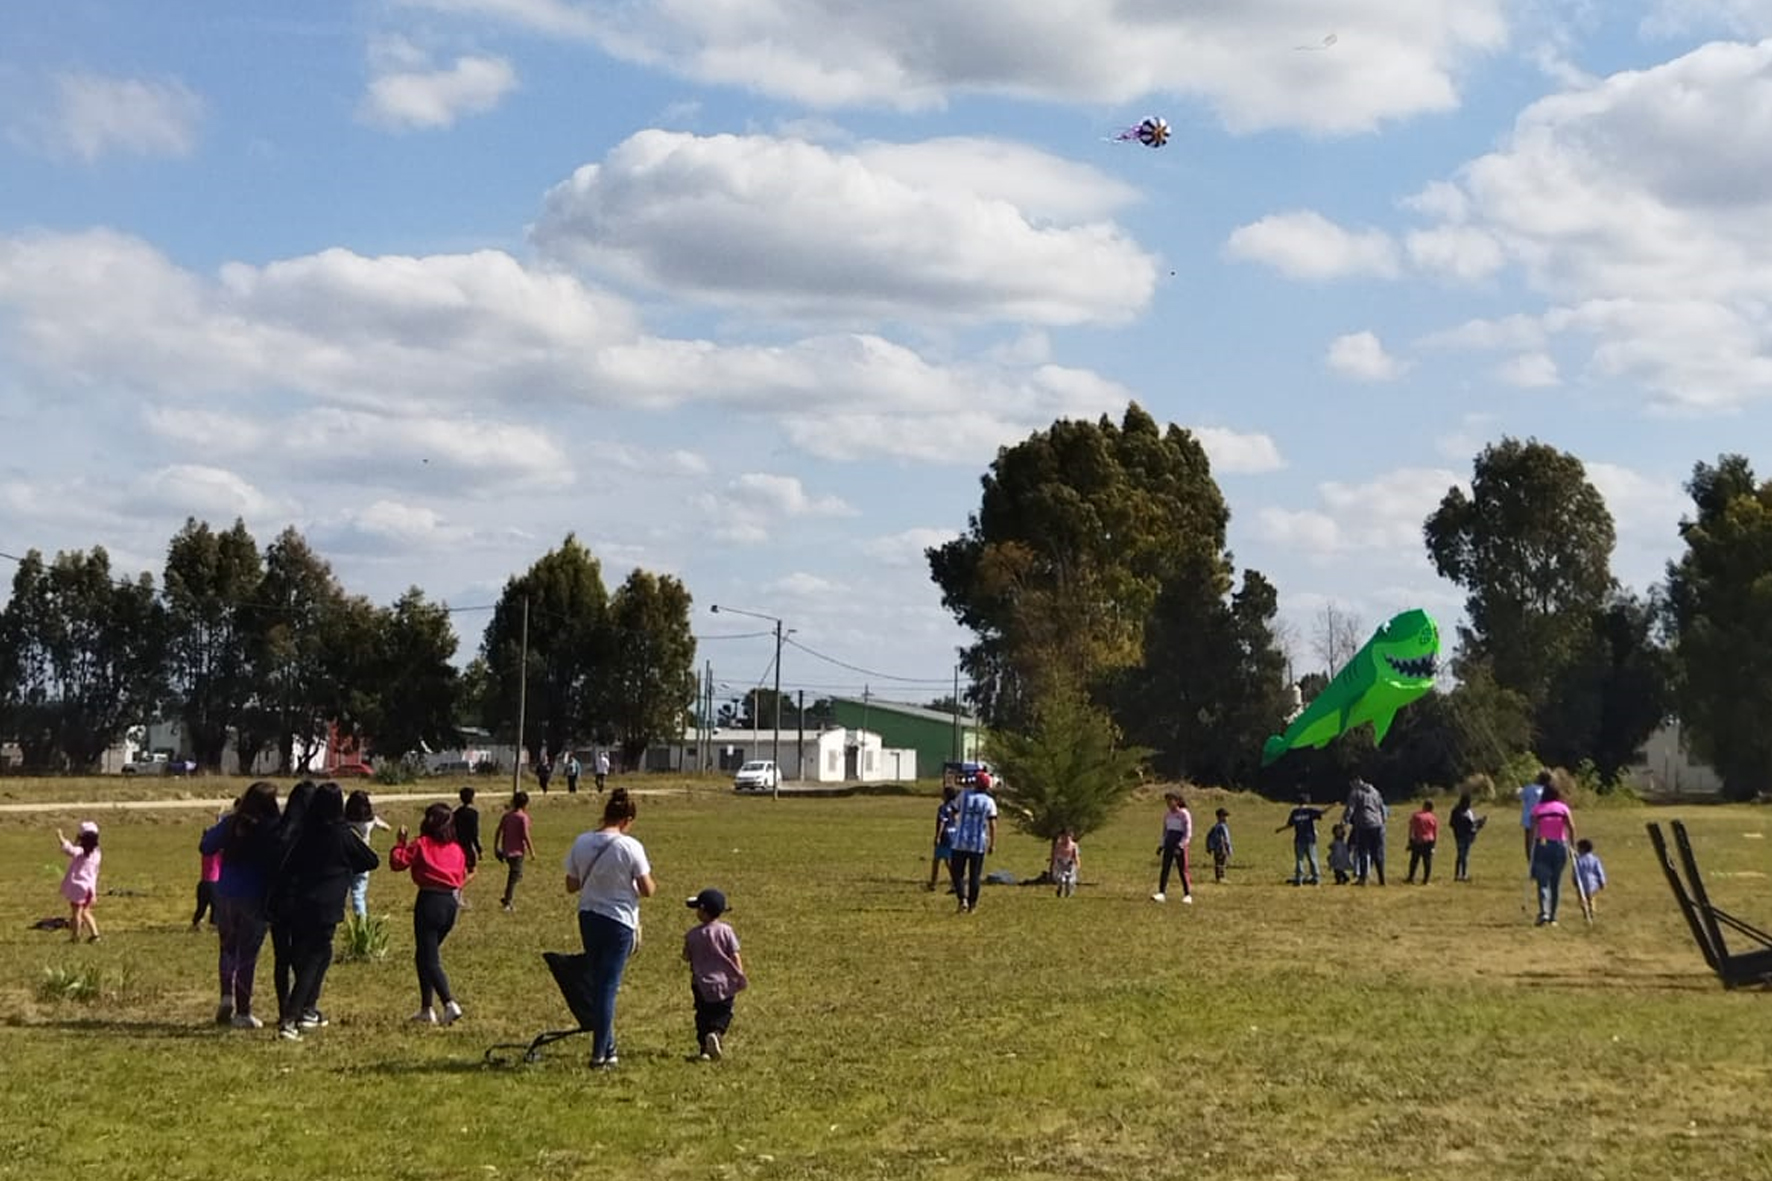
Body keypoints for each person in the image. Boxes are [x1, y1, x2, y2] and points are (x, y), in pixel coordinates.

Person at [272, 782, 378, 1041]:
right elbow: (371, 860)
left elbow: (288, 867)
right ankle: (291, 1017)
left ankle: (307, 1010)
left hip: (300, 903)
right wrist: (345, 867)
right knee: (314, 960)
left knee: (307, 955)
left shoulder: (305, 834)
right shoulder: (341, 834)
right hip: (327, 907)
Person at [565, 788, 656, 1068]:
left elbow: (571, 885)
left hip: (589, 915)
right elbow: (647, 889)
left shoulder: (582, 842)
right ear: (628, 819)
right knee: (608, 987)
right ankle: (599, 1054)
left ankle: (610, 1047)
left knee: (599, 982)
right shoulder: (630, 846)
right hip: (618, 920)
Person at [201, 783, 283, 1028]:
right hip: (256, 897)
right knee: (248, 955)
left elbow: (206, 846)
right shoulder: (272, 828)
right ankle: (243, 1010)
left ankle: (226, 996)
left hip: (226, 893)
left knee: (227, 949)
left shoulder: (232, 824)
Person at [389, 803, 468, 1025]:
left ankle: (449, 1003)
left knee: (429, 958)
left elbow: (398, 863)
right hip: (450, 904)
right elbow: (462, 875)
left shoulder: (422, 844)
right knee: (423, 955)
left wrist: (400, 843)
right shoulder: (456, 848)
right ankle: (426, 1008)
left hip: (429, 902)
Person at [682, 887, 747, 1062]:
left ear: (702, 911)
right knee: (723, 1012)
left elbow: (686, 957)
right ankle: (716, 1033)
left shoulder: (692, 935)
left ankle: (704, 1048)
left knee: (702, 1014)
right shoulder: (726, 931)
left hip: (700, 983)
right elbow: (734, 954)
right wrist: (739, 975)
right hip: (725, 982)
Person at [948, 770, 998, 913]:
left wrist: (955, 820)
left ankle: (962, 899)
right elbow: (992, 823)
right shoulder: (989, 801)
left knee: (957, 872)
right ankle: (972, 905)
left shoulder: (964, 795)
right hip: (978, 843)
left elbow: (953, 809)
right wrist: (993, 843)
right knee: (974, 875)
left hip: (960, 841)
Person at [1528, 783, 1577, 926]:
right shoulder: (1563, 808)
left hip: (1542, 845)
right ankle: (1553, 916)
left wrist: (1531, 846)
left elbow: (1532, 830)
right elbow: (1571, 827)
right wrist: (1572, 846)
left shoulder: (1537, 809)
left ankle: (1544, 911)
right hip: (1560, 845)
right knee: (1556, 882)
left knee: (1543, 881)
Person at [343, 790, 391, 919]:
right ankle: (361, 919)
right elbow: (386, 827)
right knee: (358, 893)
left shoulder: (345, 820)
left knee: (341, 890)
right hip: (363, 859)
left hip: (346, 859)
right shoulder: (369, 821)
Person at [57, 822, 102, 944]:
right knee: (86, 911)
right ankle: (95, 935)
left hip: (79, 888)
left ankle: (75, 937)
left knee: (76, 912)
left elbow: (69, 849)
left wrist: (60, 837)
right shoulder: (97, 853)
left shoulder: (81, 851)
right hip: (89, 889)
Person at [1343, 777, 1387, 886]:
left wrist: (1345, 821)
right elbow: (1382, 807)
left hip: (1364, 825)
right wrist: (1383, 820)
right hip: (1378, 824)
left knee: (1362, 852)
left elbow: (1350, 808)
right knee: (1378, 853)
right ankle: (1382, 879)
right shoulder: (1375, 791)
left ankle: (1363, 879)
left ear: (1355, 782)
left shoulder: (1355, 792)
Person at [495, 791, 534, 912]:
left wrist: (496, 847)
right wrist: (532, 850)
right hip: (517, 852)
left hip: (507, 850)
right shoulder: (522, 817)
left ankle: (507, 897)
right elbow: (526, 835)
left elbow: (498, 831)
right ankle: (507, 901)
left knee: (517, 874)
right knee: (514, 877)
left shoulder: (507, 816)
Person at [1276, 793, 1326, 886]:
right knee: (1313, 859)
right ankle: (1316, 878)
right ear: (1308, 801)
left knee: (1299, 859)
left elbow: (1289, 825)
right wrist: (1333, 806)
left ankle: (1299, 879)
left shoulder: (1294, 812)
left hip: (1299, 839)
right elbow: (1322, 812)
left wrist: (1280, 829)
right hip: (1310, 839)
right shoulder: (1309, 811)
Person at [1152, 792, 1194, 904]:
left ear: (1177, 801)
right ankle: (1161, 893)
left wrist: (1180, 846)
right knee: (1165, 868)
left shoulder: (1184, 814)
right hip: (1169, 843)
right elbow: (1165, 832)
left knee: (1182, 869)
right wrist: (1161, 845)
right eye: (1167, 801)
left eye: (1171, 800)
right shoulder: (1167, 815)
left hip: (1180, 844)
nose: (1169, 803)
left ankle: (1187, 894)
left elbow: (1188, 833)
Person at [453, 787, 482, 908]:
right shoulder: (473, 814)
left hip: (456, 845)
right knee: (473, 872)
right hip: (467, 846)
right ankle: (457, 889)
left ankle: (460, 899)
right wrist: (479, 848)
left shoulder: (455, 813)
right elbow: (474, 833)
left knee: (461, 872)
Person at [926, 785, 958, 892]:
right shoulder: (954, 806)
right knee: (948, 860)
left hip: (945, 836)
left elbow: (942, 823)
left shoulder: (942, 808)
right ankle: (954, 882)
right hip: (953, 835)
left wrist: (938, 836)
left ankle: (934, 883)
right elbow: (957, 819)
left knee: (938, 860)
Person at [1449, 792, 1485, 882]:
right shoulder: (1457, 811)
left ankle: (1464, 874)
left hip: (1468, 835)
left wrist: (1478, 822)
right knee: (1461, 855)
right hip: (1460, 836)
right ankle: (1458, 875)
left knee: (1465, 856)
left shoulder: (1468, 811)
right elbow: (1452, 824)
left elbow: (1472, 823)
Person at [1519, 769, 1550, 862]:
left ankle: (1531, 863)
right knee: (1543, 841)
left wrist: (1519, 790)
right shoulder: (1549, 790)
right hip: (1545, 820)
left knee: (1529, 844)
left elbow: (1520, 796)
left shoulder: (1529, 788)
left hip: (1529, 821)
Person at [193, 834, 222, 931]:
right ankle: (214, 924)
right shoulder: (217, 853)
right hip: (213, 884)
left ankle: (197, 922)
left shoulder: (205, 853)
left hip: (203, 883)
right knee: (216, 905)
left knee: (201, 906)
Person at [1405, 800, 1438, 884]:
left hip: (1418, 840)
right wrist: (1434, 845)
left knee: (1414, 860)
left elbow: (1411, 828)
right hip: (1429, 840)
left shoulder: (1416, 816)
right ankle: (1426, 880)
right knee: (1427, 861)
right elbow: (1435, 832)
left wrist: (1410, 841)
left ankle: (1411, 877)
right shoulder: (1433, 817)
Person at [1575, 838, 1607, 912]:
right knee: (1591, 898)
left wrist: (1575, 880)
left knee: (1582, 899)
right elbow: (1599, 871)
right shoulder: (1595, 859)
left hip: (1582, 883)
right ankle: (1591, 909)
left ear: (1583, 849)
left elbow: (1576, 871)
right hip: (1593, 883)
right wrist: (1602, 881)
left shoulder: (1579, 860)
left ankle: (1586, 911)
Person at [1049, 828, 1080, 898]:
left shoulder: (1073, 845)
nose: (1065, 839)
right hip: (1060, 863)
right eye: (1063, 837)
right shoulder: (1058, 845)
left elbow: (1075, 856)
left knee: (1069, 880)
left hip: (1070, 863)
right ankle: (1060, 888)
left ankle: (1068, 893)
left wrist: (1077, 864)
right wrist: (1053, 863)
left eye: (1067, 836)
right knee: (1061, 879)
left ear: (1071, 836)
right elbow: (1054, 855)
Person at [1205, 809, 1233, 883]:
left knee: (1218, 862)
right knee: (1221, 863)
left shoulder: (1215, 826)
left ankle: (1219, 877)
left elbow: (1209, 836)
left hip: (1217, 848)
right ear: (1220, 817)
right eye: (1224, 816)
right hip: (1221, 847)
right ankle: (1221, 877)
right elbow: (1226, 838)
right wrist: (1228, 848)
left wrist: (1209, 847)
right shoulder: (1222, 827)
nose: (1226, 818)